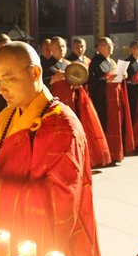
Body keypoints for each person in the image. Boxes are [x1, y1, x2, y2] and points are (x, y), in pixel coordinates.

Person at [0, 41, 101, 256]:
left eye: (8, 80)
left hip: (37, 248)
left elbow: (58, 202)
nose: (1, 89)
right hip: (1, 237)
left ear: (35, 72)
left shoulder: (62, 127)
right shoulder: (6, 116)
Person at [45, 36, 111, 167]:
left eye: (63, 46)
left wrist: (76, 85)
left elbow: (78, 81)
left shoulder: (70, 64)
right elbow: (38, 84)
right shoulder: (45, 64)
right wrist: (52, 79)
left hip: (71, 104)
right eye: (57, 47)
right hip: (54, 107)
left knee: (73, 134)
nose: (61, 49)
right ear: (51, 49)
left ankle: (76, 160)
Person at [88, 37, 135, 163]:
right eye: (106, 45)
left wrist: (124, 75)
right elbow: (91, 83)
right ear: (99, 47)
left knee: (117, 125)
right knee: (106, 125)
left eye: (111, 45)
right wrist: (106, 80)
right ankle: (104, 155)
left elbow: (118, 77)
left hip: (116, 100)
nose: (110, 47)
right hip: (103, 101)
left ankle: (116, 153)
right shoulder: (95, 63)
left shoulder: (113, 62)